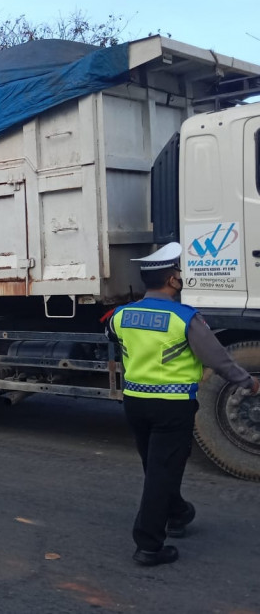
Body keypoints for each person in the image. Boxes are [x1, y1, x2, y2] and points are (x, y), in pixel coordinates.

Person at [108, 242, 260, 567]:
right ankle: (148, 544)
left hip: (135, 402)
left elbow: (113, 337)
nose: (180, 276)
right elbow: (216, 358)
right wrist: (247, 380)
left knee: (157, 465)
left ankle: (177, 513)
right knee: (162, 469)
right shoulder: (185, 318)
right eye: (177, 272)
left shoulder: (121, 315)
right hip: (171, 405)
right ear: (172, 281)